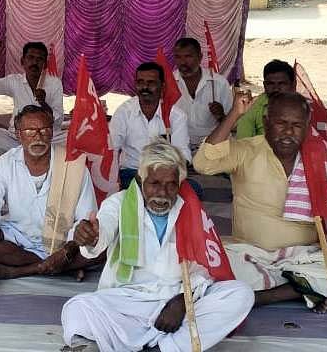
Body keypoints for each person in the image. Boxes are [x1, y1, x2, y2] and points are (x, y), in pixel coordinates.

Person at [193, 92, 327, 313]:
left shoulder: (318, 159)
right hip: (250, 255)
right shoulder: (246, 150)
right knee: (204, 267)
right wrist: (234, 115)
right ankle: (302, 290)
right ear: (266, 122)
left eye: (296, 125)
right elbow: (202, 163)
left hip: (303, 258)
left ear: (307, 127)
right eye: (281, 123)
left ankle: (260, 297)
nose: (288, 132)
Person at [60, 140, 254, 352]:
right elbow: (102, 230)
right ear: (141, 179)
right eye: (154, 183)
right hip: (127, 301)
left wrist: (183, 301)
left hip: (175, 303)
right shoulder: (119, 203)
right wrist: (91, 237)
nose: (162, 193)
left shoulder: (190, 212)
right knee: (77, 308)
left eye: (171, 184)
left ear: (180, 183)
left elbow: (206, 268)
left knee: (241, 294)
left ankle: (165, 348)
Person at [0, 105, 99, 292]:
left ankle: (23, 271)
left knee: (104, 245)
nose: (38, 137)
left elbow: (85, 221)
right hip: (21, 237)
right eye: (30, 131)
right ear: (18, 134)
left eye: (44, 130)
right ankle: (59, 268)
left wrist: (67, 250)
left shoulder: (74, 165)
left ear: (52, 133)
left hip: (66, 241)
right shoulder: (4, 164)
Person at [110, 62, 191, 189]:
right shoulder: (124, 112)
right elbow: (112, 149)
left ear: (162, 86)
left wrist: (168, 175)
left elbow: (183, 154)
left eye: (151, 82)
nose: (145, 87)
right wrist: (113, 179)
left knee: (195, 190)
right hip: (132, 172)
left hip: (166, 175)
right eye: (140, 82)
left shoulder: (176, 116)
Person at [0, 40, 65, 155]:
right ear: (22, 61)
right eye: (30, 57)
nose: (34, 62)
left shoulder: (54, 83)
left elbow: (58, 119)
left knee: (71, 138)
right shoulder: (15, 81)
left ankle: (20, 154)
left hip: (46, 136)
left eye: (39, 59)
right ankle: (35, 153)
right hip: (19, 137)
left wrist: (43, 103)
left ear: (45, 64)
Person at [172, 38, 231, 156]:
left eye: (188, 56)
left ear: (200, 57)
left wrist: (221, 116)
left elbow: (232, 124)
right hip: (177, 147)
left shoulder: (219, 83)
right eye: (178, 57)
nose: (182, 62)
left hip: (211, 147)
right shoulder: (169, 83)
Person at [236, 60, 296, 139]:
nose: (276, 89)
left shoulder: (303, 107)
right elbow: (243, 142)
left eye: (282, 83)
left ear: (293, 85)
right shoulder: (251, 107)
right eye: (270, 84)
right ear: (264, 85)